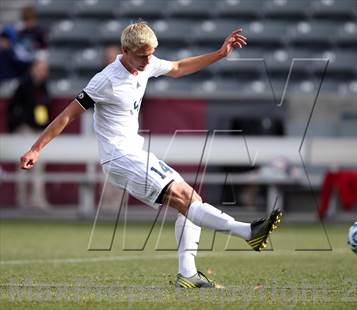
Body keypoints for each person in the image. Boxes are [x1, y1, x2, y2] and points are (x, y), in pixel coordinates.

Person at [20, 22, 281, 288]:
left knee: (191, 202)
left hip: (135, 153)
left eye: (151, 53)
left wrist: (219, 54)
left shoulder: (145, 63)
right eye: (143, 55)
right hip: (120, 158)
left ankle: (188, 274)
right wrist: (36, 148)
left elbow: (178, 68)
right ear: (125, 50)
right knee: (187, 199)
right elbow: (66, 116)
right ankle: (248, 232)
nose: (148, 60)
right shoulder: (105, 80)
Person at [10, 54, 50, 209]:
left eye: (44, 70)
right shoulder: (24, 85)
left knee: (38, 167)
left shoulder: (44, 87)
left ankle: (37, 201)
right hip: (25, 130)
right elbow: (13, 108)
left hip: (39, 131)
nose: (41, 72)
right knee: (23, 166)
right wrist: (19, 123)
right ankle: (22, 201)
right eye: (39, 69)